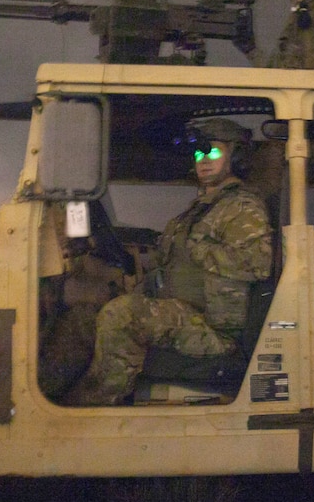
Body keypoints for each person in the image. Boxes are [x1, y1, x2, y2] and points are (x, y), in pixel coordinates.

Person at [69, 118, 272, 405]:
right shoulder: (200, 209)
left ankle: (98, 405)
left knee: (122, 315)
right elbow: (166, 260)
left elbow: (257, 263)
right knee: (84, 318)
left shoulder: (242, 207)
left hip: (213, 329)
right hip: (181, 313)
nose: (203, 161)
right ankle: (56, 394)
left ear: (235, 156)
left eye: (212, 152)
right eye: (199, 154)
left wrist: (199, 248)